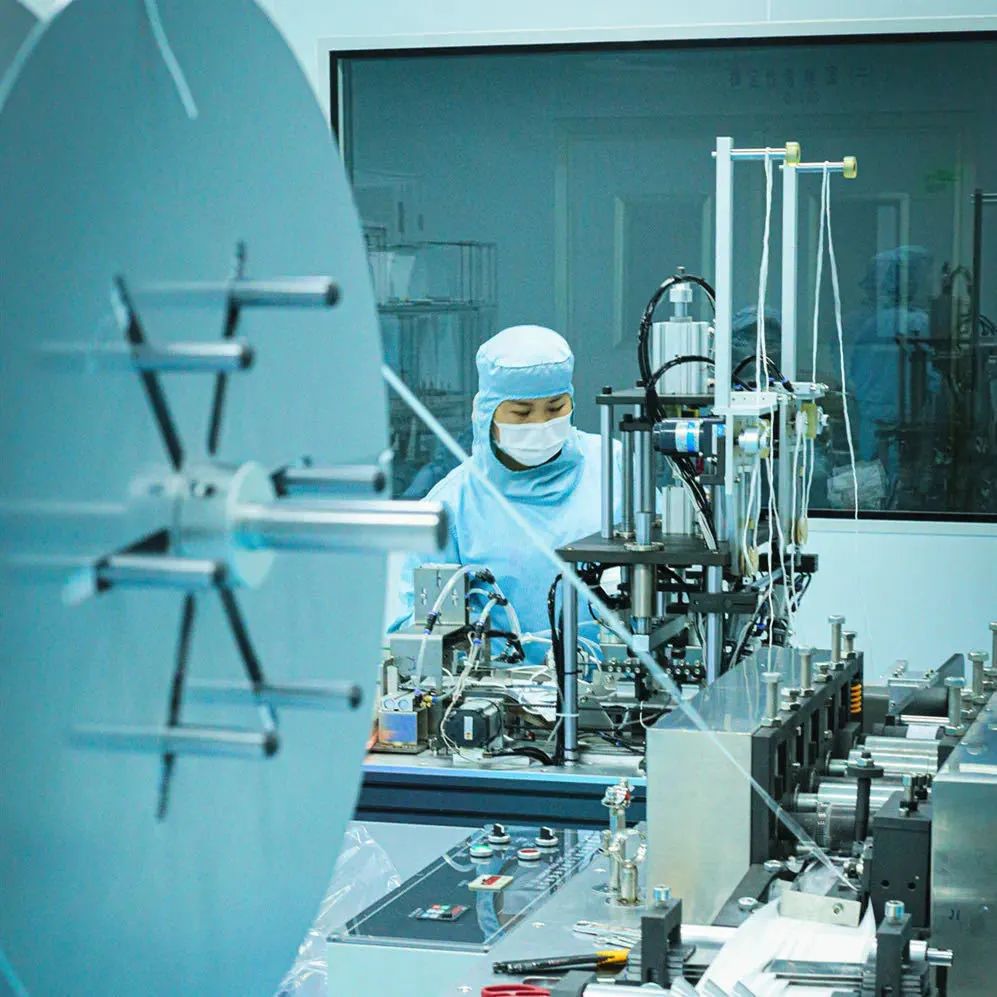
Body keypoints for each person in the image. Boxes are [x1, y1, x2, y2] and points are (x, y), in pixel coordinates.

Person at [390, 324, 617, 637]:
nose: (541, 423)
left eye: (555, 407)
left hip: (615, 666)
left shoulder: (615, 467)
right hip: (502, 669)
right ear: (488, 412)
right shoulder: (453, 505)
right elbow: (418, 626)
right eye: (522, 413)